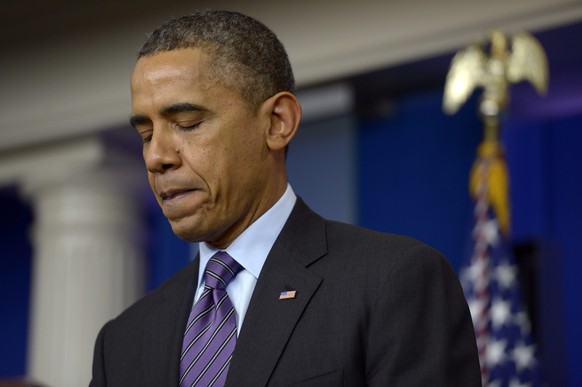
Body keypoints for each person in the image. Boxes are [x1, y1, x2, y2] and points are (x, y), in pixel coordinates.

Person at [90, 10, 480, 387]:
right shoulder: (122, 342)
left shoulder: (391, 282)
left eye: (188, 125)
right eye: (145, 135)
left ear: (278, 123)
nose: (157, 156)